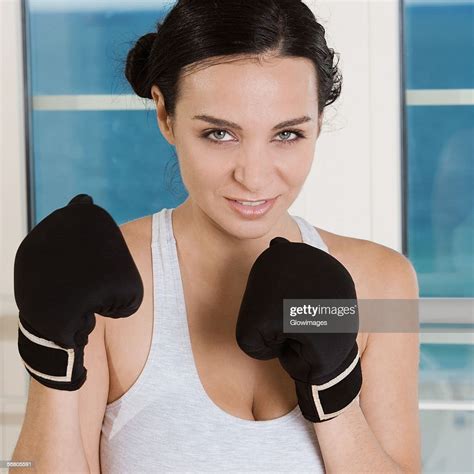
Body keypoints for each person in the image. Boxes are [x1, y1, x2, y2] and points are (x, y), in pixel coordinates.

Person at [12, 0, 421, 472]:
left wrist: (335, 395)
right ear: (165, 114)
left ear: (318, 122)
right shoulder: (107, 281)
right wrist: (50, 356)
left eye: (287, 134)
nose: (254, 176)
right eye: (219, 134)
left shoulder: (382, 284)